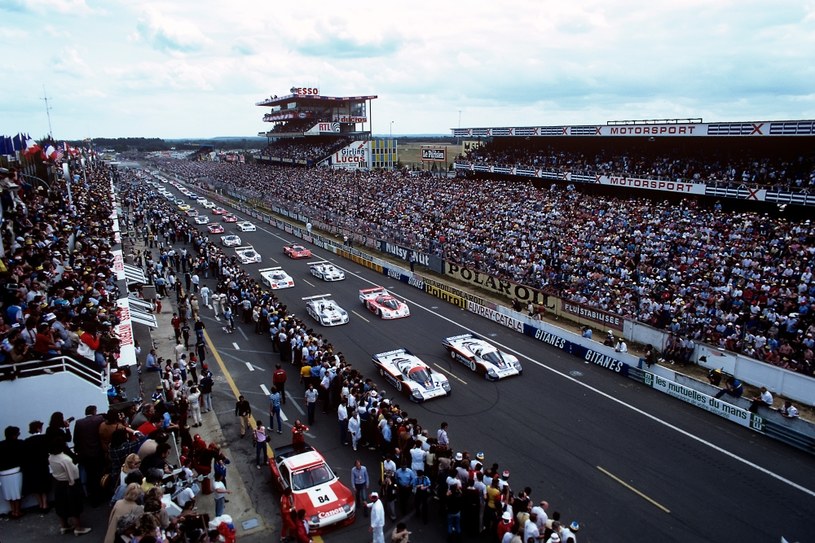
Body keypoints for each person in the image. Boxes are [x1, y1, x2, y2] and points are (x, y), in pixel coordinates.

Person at [49, 440, 92, 535]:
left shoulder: (51, 457)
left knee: (61, 505)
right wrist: (72, 484)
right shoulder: (65, 459)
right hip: (69, 484)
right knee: (74, 506)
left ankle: (64, 526)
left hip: (59, 483)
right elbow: (71, 474)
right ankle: (78, 528)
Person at [22, 420, 51, 512]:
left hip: (32, 467)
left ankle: (40, 504)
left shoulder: (27, 441)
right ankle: (45, 504)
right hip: (43, 465)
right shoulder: (45, 438)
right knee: (44, 486)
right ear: (38, 428)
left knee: (36, 487)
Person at [0, 425, 25, 519]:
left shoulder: (1, 444)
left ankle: (13, 511)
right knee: (17, 493)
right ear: (15, 435)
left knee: (9, 493)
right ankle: (18, 511)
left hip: (3, 473)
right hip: (15, 471)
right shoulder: (20, 443)